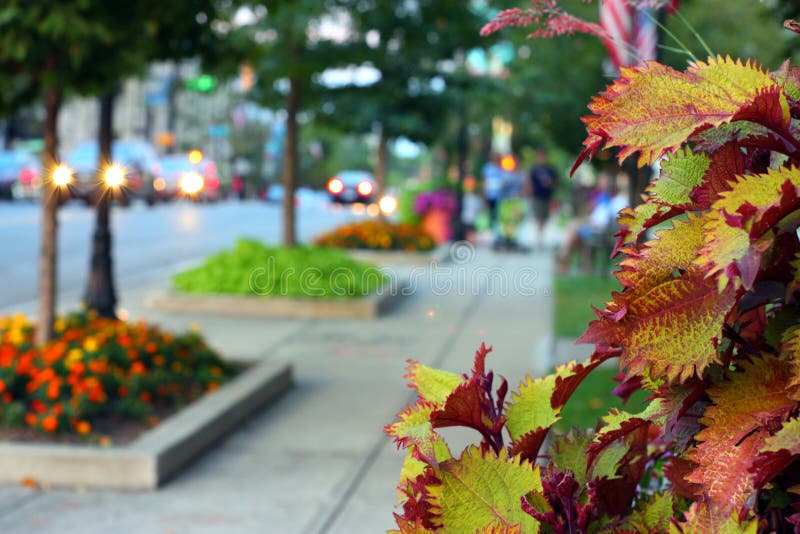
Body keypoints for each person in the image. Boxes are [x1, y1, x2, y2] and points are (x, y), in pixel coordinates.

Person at [557, 172, 629, 273]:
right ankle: (570, 261)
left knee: (573, 232)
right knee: (573, 230)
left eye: (603, 182)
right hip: (594, 227)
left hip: (601, 231)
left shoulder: (618, 201)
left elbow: (606, 222)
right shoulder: (604, 198)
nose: (600, 184)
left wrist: (589, 222)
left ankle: (564, 259)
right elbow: (595, 216)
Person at [528, 148, 559, 247]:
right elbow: (529, 182)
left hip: (547, 196)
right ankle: (539, 236)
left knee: (545, 217)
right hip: (537, 196)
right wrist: (529, 194)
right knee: (539, 216)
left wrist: (551, 184)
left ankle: (540, 234)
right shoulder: (534, 169)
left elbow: (557, 182)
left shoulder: (551, 169)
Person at [481, 153, 504, 226]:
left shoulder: (502, 167)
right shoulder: (487, 167)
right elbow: (484, 181)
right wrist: (484, 193)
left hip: (500, 196)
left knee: (499, 214)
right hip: (490, 195)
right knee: (489, 213)